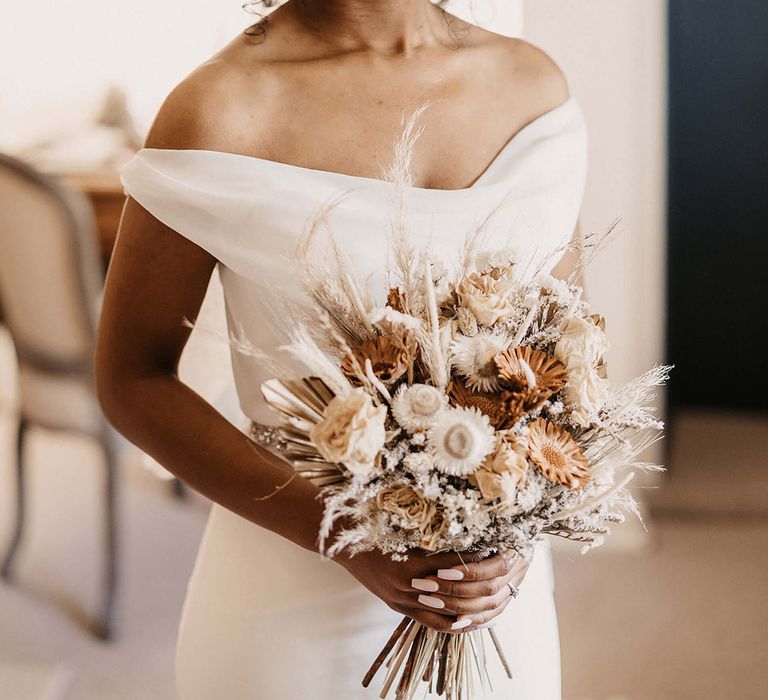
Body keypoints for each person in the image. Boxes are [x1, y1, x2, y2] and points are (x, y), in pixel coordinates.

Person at [95, 1, 588, 697]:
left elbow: (567, 353)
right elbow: (131, 378)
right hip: (287, 612)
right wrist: (347, 534)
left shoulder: (531, 87)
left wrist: (514, 524)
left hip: (495, 607)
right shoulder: (222, 109)